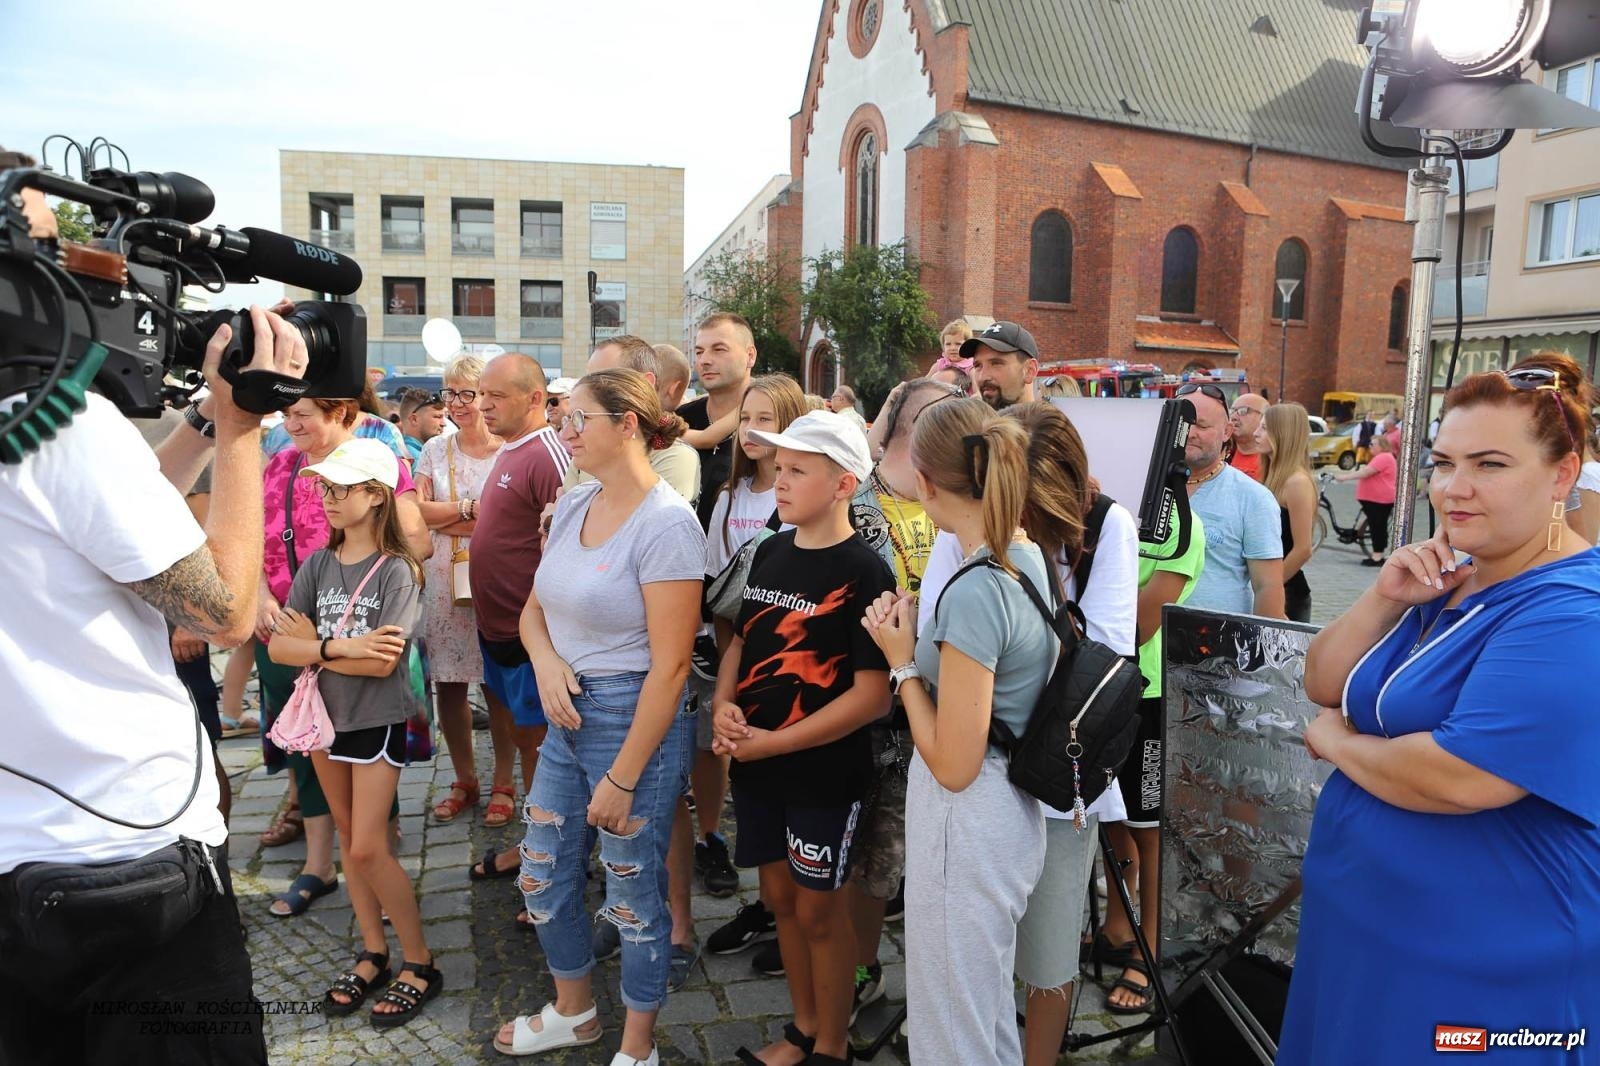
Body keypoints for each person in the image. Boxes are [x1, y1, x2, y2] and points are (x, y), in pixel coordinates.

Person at [0, 170, 295, 1061]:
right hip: (124, 858)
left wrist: (201, 420)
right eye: (46, 249)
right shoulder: (59, 424)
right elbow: (227, 613)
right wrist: (243, 429)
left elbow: (104, 530)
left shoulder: (38, 427)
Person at [1280, 366, 1600, 1064]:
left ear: (1562, 474)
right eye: (1444, 463)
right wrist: (1385, 596)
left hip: (1485, 955)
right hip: (1367, 932)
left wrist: (1336, 743)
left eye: (1490, 465)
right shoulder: (1452, 574)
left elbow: (1462, 775)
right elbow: (1323, 679)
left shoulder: (1575, 608)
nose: (1455, 487)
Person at [492, 369, 704, 1066]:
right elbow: (533, 610)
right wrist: (547, 662)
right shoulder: (578, 503)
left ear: (628, 424)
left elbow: (672, 667)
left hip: (630, 716)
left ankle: (638, 1048)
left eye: (579, 418)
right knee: (542, 871)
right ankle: (574, 1011)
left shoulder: (668, 524)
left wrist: (624, 776)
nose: (565, 430)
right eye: (564, 417)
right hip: (567, 710)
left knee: (632, 890)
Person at [862, 396, 1053, 1065]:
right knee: (981, 1015)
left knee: (952, 1034)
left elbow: (954, 763)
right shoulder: (1024, 556)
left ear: (924, 481)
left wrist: (901, 663)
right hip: (1003, 814)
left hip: (968, 821)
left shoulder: (977, 587)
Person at [711, 409, 894, 1066]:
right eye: (779, 467)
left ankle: (833, 1045)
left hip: (823, 776)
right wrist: (723, 703)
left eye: (797, 470)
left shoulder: (866, 572)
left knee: (821, 913)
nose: (780, 481)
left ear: (844, 484)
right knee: (782, 901)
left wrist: (773, 744)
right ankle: (804, 1028)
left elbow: (873, 696)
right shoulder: (769, 550)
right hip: (758, 767)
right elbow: (742, 640)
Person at [268, 439, 439, 1027]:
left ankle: (420, 961)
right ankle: (373, 951)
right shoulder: (318, 564)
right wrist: (340, 648)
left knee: (367, 845)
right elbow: (280, 647)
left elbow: (383, 663)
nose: (329, 498)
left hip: (374, 718)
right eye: (326, 488)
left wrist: (316, 648)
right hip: (324, 718)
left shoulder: (398, 570)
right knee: (347, 836)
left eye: (343, 489)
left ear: (377, 495)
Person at [1002, 403, 1139, 1065]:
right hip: (983, 756)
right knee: (986, 933)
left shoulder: (1109, 525)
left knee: (1051, 941)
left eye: (1022, 495)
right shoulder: (976, 516)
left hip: (1062, 768)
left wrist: (1024, 585)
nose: (1007, 507)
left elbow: (1107, 654)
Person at [258, 397, 428, 917]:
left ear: (340, 413)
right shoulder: (279, 465)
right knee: (307, 747)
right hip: (292, 621)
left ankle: (380, 871)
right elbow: (253, 540)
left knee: (368, 791)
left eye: (303, 413)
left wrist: (318, 648)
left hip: (350, 638)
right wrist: (265, 601)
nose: (291, 423)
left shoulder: (377, 451)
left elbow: (413, 541)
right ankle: (320, 865)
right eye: (286, 413)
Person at [1095, 492, 1206, 1014]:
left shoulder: (1181, 521)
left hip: (1149, 689)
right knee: (1113, 817)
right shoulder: (1107, 506)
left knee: (1149, 826)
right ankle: (1118, 927)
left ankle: (1152, 945)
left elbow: (1141, 623)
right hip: (1100, 686)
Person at [467, 353, 568, 874]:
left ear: (535, 399)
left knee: (543, 749)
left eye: (495, 395)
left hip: (533, 638)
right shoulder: (511, 449)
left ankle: (549, 858)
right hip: (499, 632)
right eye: (480, 393)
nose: (482, 405)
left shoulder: (547, 453)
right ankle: (539, 845)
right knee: (526, 741)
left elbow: (569, 545)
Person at [414, 355, 503, 823]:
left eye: (467, 393)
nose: (457, 403)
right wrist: (470, 510)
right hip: (442, 579)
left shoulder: (508, 450)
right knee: (449, 684)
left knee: (497, 682)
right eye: (450, 393)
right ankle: (465, 779)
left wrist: (447, 517)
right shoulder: (434, 449)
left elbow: (506, 521)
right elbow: (417, 512)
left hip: (496, 574)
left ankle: (505, 781)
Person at [1177, 382, 1286, 617]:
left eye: (1202, 425)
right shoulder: (1143, 483)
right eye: (1183, 423)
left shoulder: (1253, 498)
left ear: (1227, 431)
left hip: (1216, 637)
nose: (1190, 432)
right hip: (1143, 635)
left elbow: (1267, 586)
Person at [1259, 402, 1318, 622]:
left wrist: (1269, 588)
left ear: (1282, 434)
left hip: (1287, 593)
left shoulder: (1297, 482)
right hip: (1273, 586)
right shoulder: (1273, 475)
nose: (1256, 434)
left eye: (1264, 428)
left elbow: (1303, 549)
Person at [1333, 432, 1397, 566]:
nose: (1369, 446)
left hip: (1379, 499)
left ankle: (1377, 557)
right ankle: (1376, 552)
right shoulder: (1382, 457)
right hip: (1375, 499)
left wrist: (1344, 477)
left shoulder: (1383, 457)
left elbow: (1366, 472)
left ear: (1382, 446)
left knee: (1377, 526)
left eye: (1372, 444)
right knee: (1376, 524)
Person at [963, 320, 1039, 410]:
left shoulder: (1050, 419)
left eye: (996, 363)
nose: (982, 377)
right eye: (977, 366)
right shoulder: (968, 418)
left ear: (1029, 371)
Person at [396, 386, 447, 462]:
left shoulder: (399, 451)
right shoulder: (417, 459)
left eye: (444, 417)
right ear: (414, 419)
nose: (444, 424)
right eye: (437, 417)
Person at [1227, 392, 1268, 481]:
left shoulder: (1274, 463)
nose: (1233, 417)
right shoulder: (1220, 456)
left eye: (1243, 411)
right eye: (1232, 411)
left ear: (1263, 417)